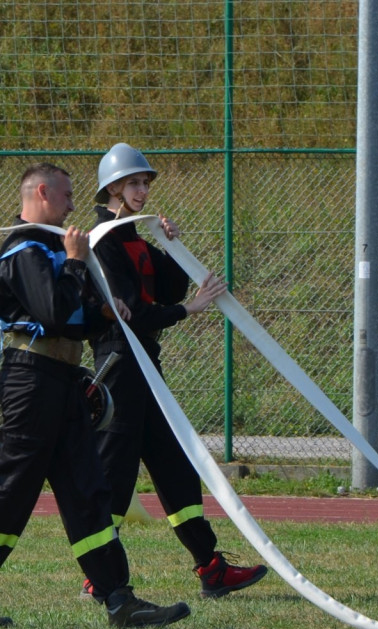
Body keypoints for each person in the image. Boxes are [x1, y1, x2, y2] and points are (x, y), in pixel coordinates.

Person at [0, 162, 190, 629]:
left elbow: (75, 314)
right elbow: (52, 311)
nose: (75, 205)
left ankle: (119, 598)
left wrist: (104, 312)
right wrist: (75, 262)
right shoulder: (22, 249)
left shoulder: (53, 249)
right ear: (41, 193)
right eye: (68, 195)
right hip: (31, 380)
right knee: (13, 490)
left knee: (87, 488)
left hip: (64, 379)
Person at [80, 143, 268, 601]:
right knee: (116, 475)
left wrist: (168, 244)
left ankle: (211, 568)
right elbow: (133, 315)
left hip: (147, 367)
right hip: (120, 366)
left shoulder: (135, 236)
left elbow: (165, 287)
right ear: (113, 188)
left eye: (145, 183)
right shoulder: (103, 240)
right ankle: (97, 577)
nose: (143, 190)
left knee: (175, 467)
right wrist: (190, 309)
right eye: (134, 183)